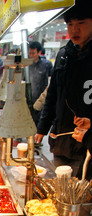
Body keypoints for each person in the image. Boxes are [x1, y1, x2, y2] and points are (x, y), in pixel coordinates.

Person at [35, 0, 92, 179]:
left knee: (80, 195)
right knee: (61, 188)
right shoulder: (63, 55)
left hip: (85, 142)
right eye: (70, 24)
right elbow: (52, 94)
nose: (74, 29)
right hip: (61, 137)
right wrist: (42, 128)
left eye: (81, 23)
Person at [28, 41, 53, 125]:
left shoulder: (47, 64)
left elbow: (53, 80)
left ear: (39, 52)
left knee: (39, 122)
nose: (31, 55)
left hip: (41, 99)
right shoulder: (26, 65)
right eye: (30, 53)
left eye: (33, 53)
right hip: (28, 98)